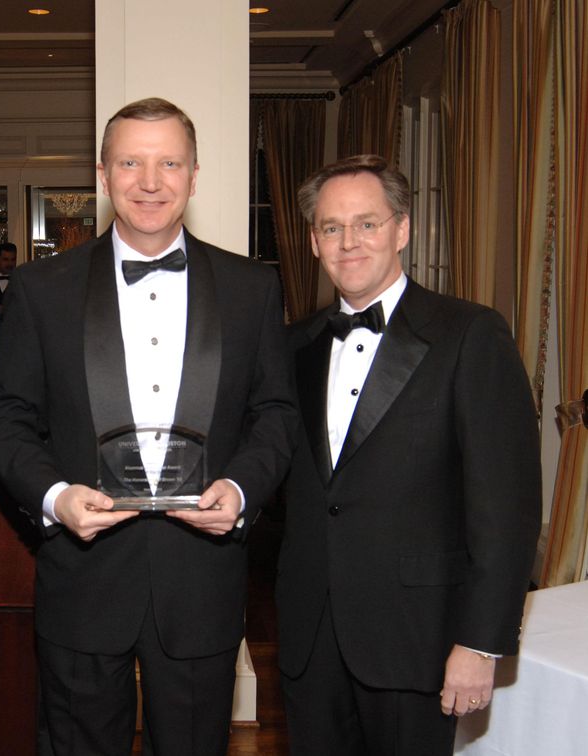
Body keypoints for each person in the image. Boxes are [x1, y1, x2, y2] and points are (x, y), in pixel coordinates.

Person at [0, 97, 296, 756]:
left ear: (194, 172)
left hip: (202, 581)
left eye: (168, 163)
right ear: (103, 174)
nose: (150, 182)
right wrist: (53, 497)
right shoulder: (41, 289)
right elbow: (8, 420)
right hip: (82, 576)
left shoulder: (252, 289)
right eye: (130, 162)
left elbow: (275, 415)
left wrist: (240, 491)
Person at [276, 154, 541, 755]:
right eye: (331, 227)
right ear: (314, 242)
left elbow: (507, 506)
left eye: (366, 224)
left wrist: (479, 642)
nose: (349, 242)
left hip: (419, 638)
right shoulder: (294, 345)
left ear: (402, 229)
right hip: (310, 638)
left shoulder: (470, 334)